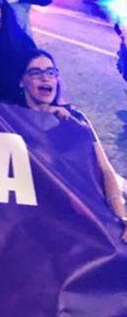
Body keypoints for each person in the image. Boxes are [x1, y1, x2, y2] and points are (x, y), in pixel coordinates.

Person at [18, 50, 127, 243]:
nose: (45, 78)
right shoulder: (11, 120)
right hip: (37, 226)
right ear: (22, 81)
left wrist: (121, 217)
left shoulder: (76, 120)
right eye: (36, 73)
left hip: (83, 219)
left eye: (51, 72)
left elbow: (105, 172)